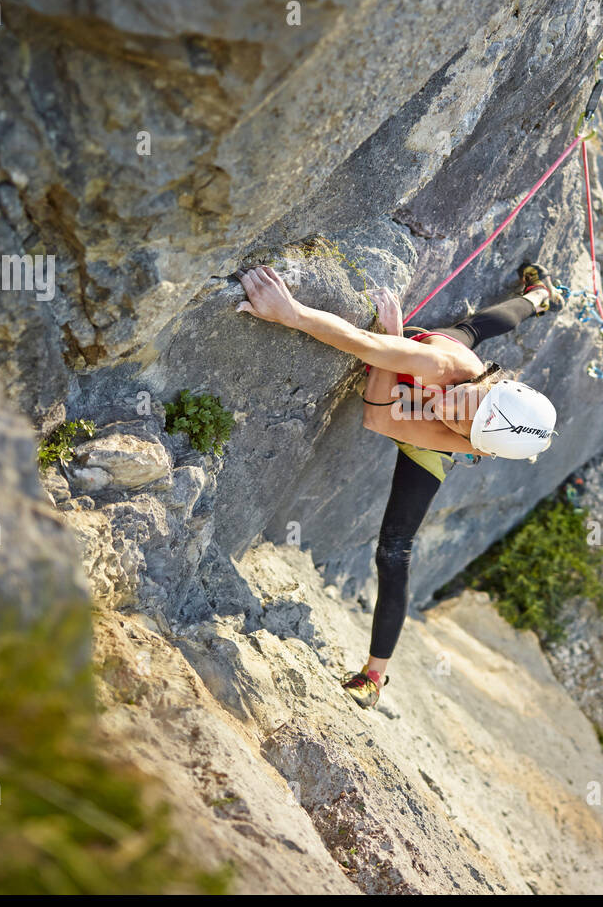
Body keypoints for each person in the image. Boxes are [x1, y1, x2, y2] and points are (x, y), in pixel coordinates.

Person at [236, 262, 560, 708]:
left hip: (421, 419)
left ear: (473, 444)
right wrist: (292, 312)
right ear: (487, 383)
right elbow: (362, 343)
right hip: (427, 363)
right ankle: (537, 298)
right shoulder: (441, 366)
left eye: (460, 422)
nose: (449, 408)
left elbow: (380, 417)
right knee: (472, 329)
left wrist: (390, 348)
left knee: (393, 553)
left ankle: (374, 676)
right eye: (465, 402)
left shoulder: (463, 434)